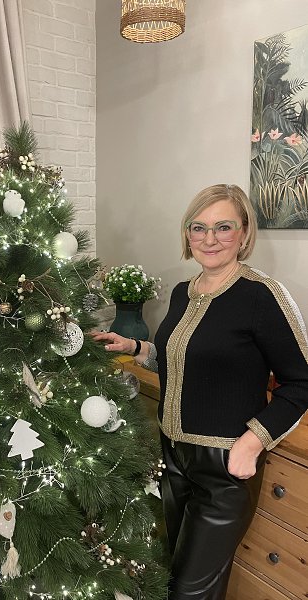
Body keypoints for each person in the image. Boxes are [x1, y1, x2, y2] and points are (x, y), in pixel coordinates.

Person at [92, 184, 308, 600]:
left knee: (189, 592)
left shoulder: (261, 295)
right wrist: (136, 347)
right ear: (187, 233)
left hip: (224, 466)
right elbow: (183, 360)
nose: (210, 239)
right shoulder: (183, 292)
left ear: (244, 233)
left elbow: (301, 383)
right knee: (174, 575)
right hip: (174, 458)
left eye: (223, 227)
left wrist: (252, 442)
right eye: (199, 227)